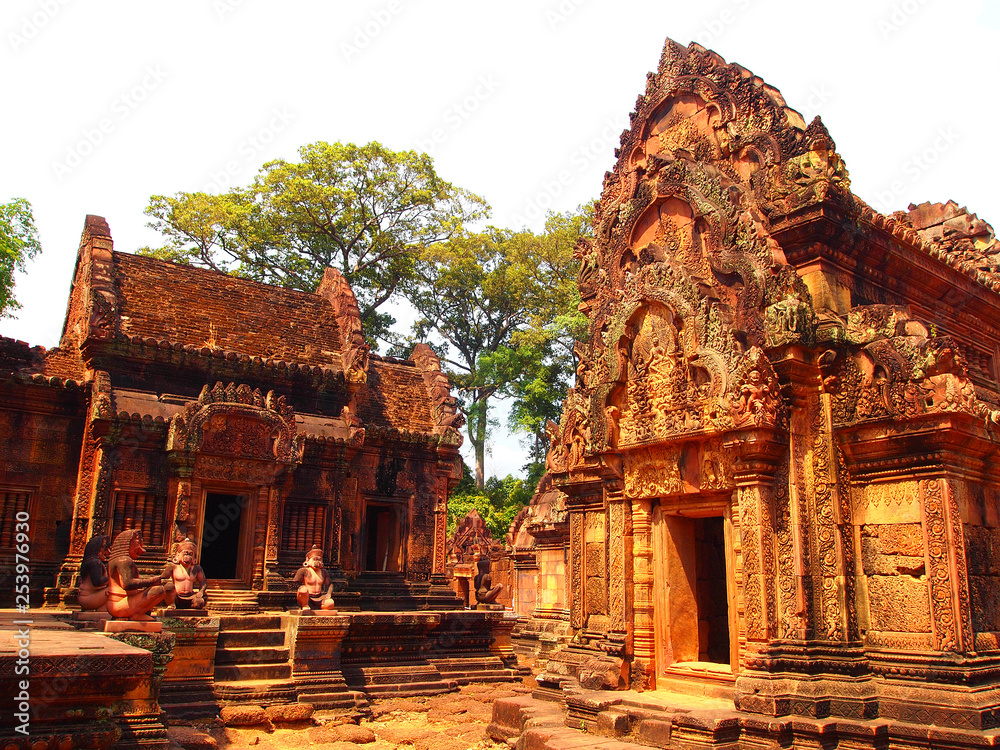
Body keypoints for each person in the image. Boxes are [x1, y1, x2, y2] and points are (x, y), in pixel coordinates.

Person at [106, 529, 173, 620]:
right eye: (138, 542)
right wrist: (152, 580)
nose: (142, 549)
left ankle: (137, 614)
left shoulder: (116, 560)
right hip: (120, 604)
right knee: (158, 590)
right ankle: (136, 615)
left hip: (117, 604)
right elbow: (127, 584)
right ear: (127, 542)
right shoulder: (124, 560)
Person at [162, 538, 207, 609]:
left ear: (193, 557)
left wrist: (201, 591)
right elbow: (162, 579)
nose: (187, 556)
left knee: (200, 602)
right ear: (178, 555)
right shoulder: (173, 567)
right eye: (185, 553)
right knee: (168, 586)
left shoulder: (197, 568)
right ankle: (171, 604)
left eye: (190, 554)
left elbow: (203, 582)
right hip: (176, 596)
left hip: (191, 597)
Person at [293, 546, 336, 612]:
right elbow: (294, 583)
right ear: (308, 560)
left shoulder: (324, 572)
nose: (317, 562)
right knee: (303, 590)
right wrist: (301, 590)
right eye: (315, 559)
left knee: (330, 603)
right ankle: (305, 605)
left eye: (319, 559)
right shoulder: (303, 571)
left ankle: (320, 606)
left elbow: (330, 584)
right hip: (306, 597)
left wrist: (328, 594)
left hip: (319, 597)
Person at [78, 534, 111, 611]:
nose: (108, 552)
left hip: (87, 597)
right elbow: (97, 582)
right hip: (88, 598)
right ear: (96, 549)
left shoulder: (90, 561)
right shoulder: (95, 562)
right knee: (117, 588)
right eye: (103, 548)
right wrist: (114, 578)